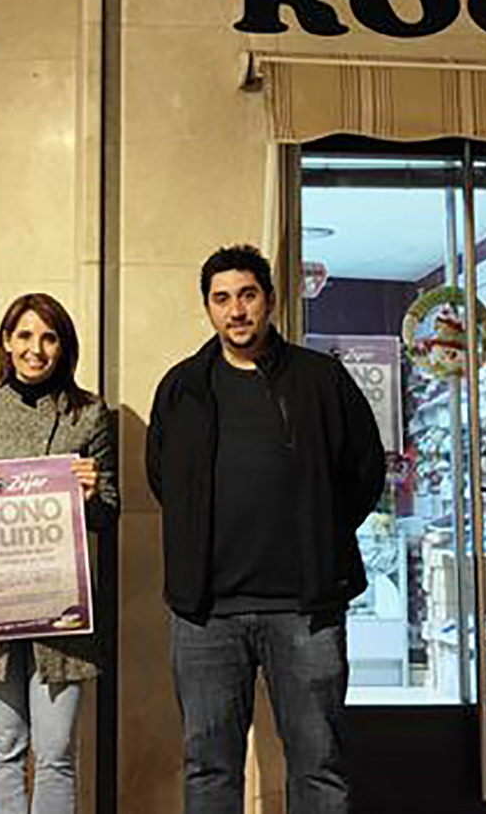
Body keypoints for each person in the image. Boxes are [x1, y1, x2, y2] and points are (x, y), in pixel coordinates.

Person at [145, 244, 385, 814]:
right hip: (206, 614)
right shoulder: (182, 387)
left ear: (270, 300)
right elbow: (163, 479)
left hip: (305, 609)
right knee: (209, 769)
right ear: (207, 307)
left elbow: (364, 470)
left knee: (319, 765)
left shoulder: (320, 379)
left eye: (247, 295)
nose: (236, 310)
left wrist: (322, 533)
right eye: (222, 299)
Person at [0, 293, 118, 814]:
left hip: (61, 606)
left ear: (64, 347)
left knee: (56, 753)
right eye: (25, 335)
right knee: (3, 749)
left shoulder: (89, 413)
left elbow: (109, 513)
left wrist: (91, 496)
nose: (36, 349)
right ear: (6, 342)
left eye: (49, 337)